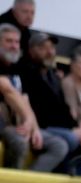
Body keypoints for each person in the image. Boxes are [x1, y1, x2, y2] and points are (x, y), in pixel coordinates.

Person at [0, 24, 68, 171]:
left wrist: (34, 128)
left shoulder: (15, 68)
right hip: (3, 124)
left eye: (16, 42)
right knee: (20, 141)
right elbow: (8, 91)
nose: (13, 46)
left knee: (59, 145)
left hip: (16, 124)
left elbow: (24, 100)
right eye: (8, 41)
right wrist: (28, 123)